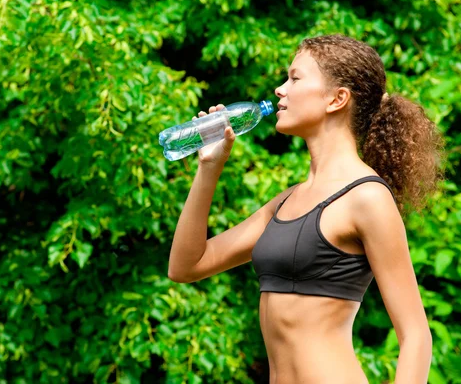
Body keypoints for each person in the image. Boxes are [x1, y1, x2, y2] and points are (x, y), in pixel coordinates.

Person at [167, 34, 443, 383]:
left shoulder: (367, 197)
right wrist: (209, 168)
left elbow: (416, 334)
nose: (281, 89)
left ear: (337, 98)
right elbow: (186, 266)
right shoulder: (285, 201)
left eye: (295, 78)